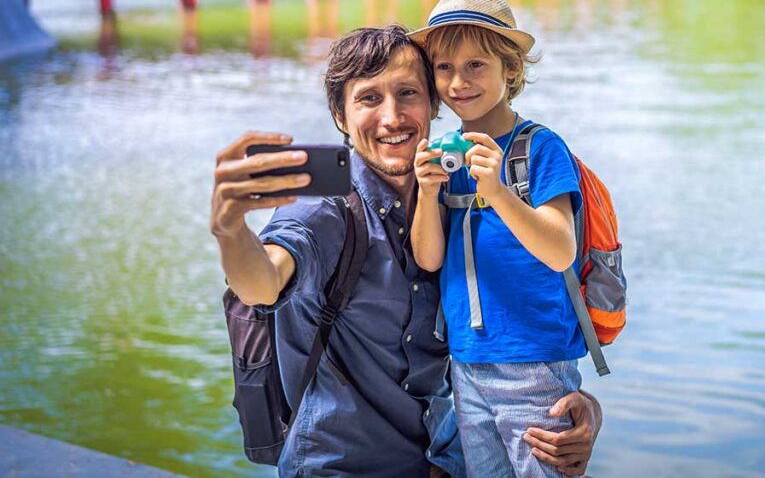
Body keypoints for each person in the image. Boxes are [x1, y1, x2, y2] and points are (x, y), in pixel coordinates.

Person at [210, 25, 601, 477]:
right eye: (368, 99)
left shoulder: (458, 186)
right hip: (342, 466)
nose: (392, 117)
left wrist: (564, 400)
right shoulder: (326, 210)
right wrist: (230, 229)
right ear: (340, 116)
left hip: (443, 457)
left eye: (407, 93)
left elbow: (523, 289)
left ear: (434, 103)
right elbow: (264, 283)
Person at [408, 0, 589, 477]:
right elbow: (429, 258)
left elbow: (559, 251)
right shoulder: (446, 154)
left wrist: (500, 191)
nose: (458, 81)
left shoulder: (540, 147)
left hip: (532, 361)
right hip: (465, 362)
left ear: (511, 70)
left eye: (475, 65)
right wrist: (426, 193)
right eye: (444, 68)